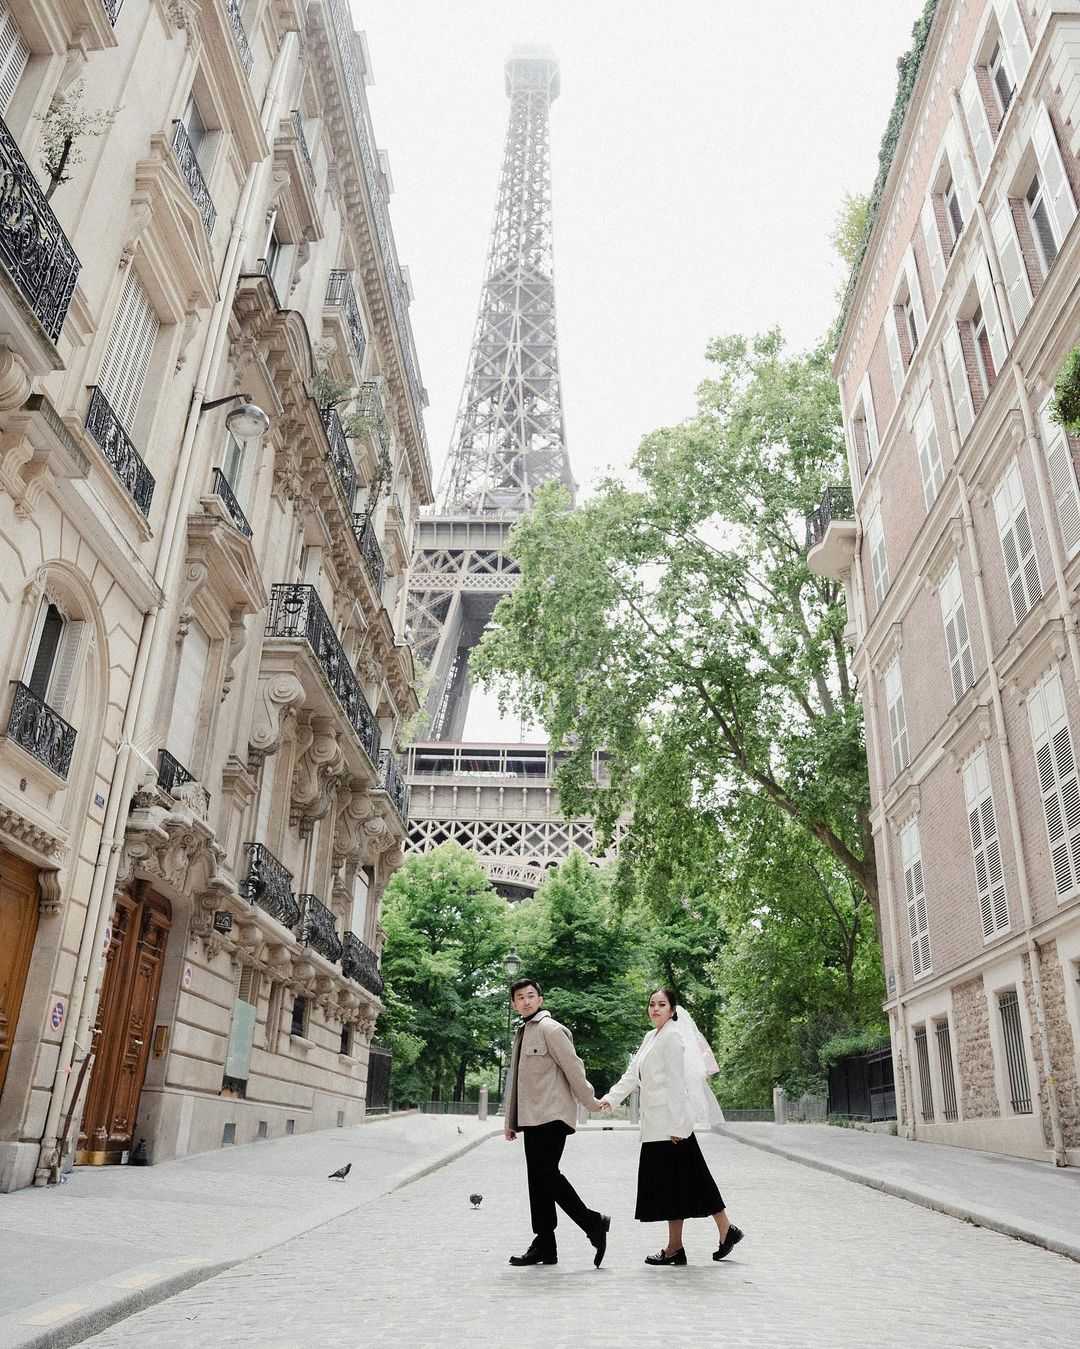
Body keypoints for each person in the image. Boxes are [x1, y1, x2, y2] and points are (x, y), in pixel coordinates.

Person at [600, 987, 744, 1266]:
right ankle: (716, 1233)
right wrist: (611, 1098)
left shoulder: (673, 1037)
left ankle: (684, 1245)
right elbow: (633, 1073)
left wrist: (679, 1125)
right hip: (657, 1125)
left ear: (673, 1010)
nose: (655, 1009)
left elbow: (678, 1084)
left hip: (671, 1126)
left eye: (661, 1004)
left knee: (683, 1183)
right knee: (685, 1183)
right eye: (651, 1004)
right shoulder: (650, 1037)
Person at [503, 977, 611, 1268]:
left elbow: (574, 1067)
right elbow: (516, 1082)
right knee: (537, 1180)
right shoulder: (524, 1032)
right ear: (514, 1004)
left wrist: (590, 1101)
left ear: (540, 999)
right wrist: (511, 1121)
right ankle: (545, 1245)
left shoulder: (550, 1029)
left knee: (546, 1175)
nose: (525, 1001)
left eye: (530, 996)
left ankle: (592, 1222)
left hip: (553, 1116)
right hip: (532, 1119)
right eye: (520, 998)